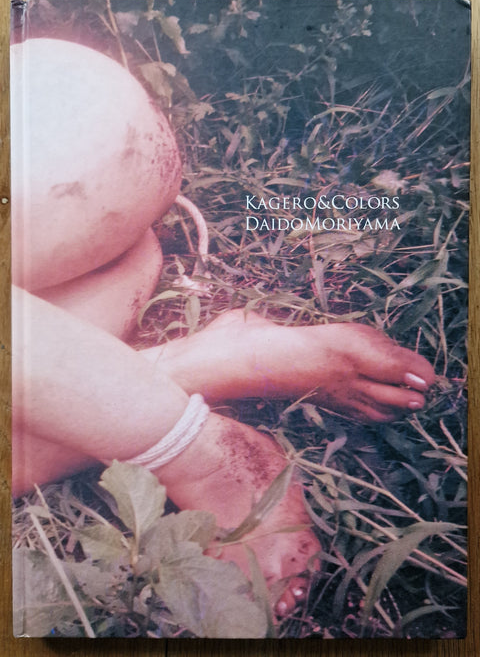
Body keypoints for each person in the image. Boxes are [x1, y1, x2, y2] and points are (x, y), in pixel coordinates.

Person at [11, 38, 435, 617]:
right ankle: (203, 363)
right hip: (82, 196)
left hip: (64, 126)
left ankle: (205, 454)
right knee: (121, 261)